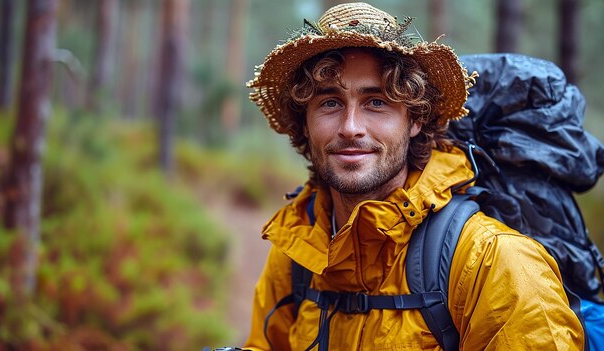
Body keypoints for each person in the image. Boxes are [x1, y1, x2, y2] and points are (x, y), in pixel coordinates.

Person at [244, 2, 585, 350]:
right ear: (305, 121)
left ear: (415, 119)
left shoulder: (494, 263)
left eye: (376, 102)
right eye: (330, 103)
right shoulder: (299, 250)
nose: (350, 128)